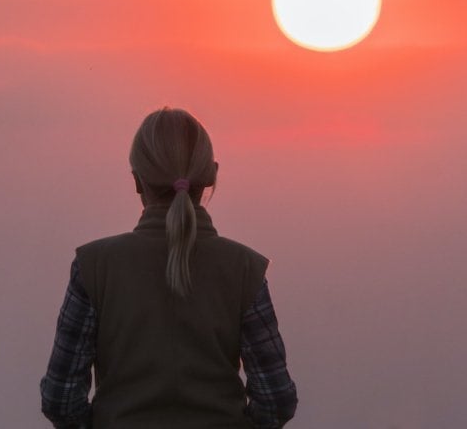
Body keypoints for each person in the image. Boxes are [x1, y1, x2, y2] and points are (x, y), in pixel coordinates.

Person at [40, 107, 298, 428]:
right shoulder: (245, 269)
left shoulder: (94, 267)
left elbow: (61, 397)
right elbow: (276, 398)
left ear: (137, 180)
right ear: (212, 176)